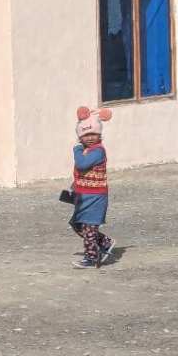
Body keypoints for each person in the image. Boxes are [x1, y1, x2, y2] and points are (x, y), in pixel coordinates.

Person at [69, 106, 117, 269]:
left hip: (96, 198)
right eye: (85, 135)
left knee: (89, 228)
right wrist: (73, 188)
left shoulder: (97, 152)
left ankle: (91, 257)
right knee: (76, 224)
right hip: (83, 196)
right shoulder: (87, 150)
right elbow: (81, 174)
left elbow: (82, 164)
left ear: (99, 134)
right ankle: (104, 242)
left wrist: (76, 149)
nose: (89, 138)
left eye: (93, 134)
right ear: (80, 136)